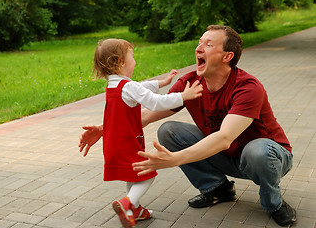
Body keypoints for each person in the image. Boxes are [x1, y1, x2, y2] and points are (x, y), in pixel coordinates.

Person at [132, 25, 296, 227]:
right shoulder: (190, 83)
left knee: (256, 150)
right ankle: (217, 189)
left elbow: (225, 137)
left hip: (268, 159)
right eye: (199, 42)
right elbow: (147, 116)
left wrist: (175, 159)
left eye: (208, 44)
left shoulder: (248, 87)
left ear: (227, 56)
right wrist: (105, 128)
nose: (198, 48)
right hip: (227, 155)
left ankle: (274, 203)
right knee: (169, 131)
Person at [78, 38, 203, 228]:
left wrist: (162, 82)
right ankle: (127, 204)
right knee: (148, 172)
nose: (134, 61)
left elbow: (140, 88)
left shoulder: (114, 86)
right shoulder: (128, 87)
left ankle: (135, 210)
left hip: (113, 143)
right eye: (132, 57)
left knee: (134, 174)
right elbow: (154, 102)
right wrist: (182, 97)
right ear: (120, 62)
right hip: (127, 142)